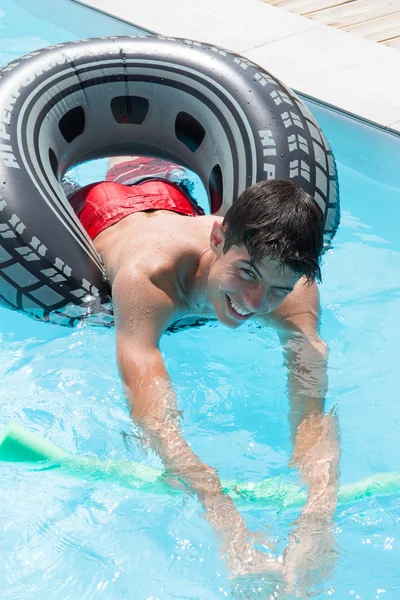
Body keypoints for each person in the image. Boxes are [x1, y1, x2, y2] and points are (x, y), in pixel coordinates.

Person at [70, 156, 340, 594]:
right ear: (218, 237)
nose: (254, 302)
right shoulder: (149, 276)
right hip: (102, 211)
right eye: (247, 272)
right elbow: (150, 406)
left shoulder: (298, 289)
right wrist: (224, 517)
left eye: (277, 289)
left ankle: (141, 166)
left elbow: (312, 412)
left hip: (175, 201)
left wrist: (318, 518)